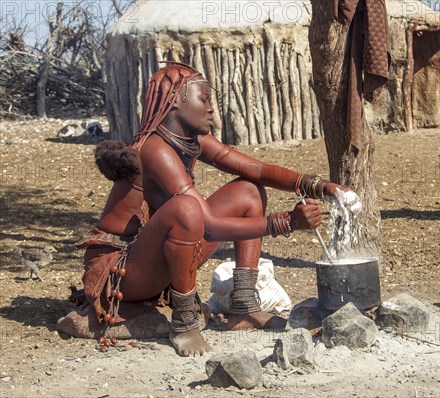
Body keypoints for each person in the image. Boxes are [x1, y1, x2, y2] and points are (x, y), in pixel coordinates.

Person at [78, 62, 357, 357]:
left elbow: (257, 169)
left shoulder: (190, 141)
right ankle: (184, 323)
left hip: (150, 258)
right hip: (122, 272)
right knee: (185, 209)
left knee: (249, 191)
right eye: (204, 100)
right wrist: (285, 222)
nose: (212, 109)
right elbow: (208, 225)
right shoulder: (155, 149)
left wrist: (322, 187)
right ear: (176, 101)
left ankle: (244, 307)